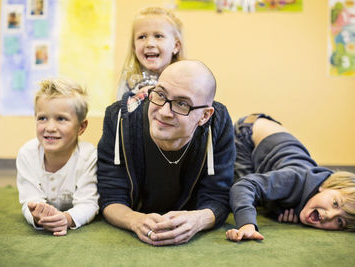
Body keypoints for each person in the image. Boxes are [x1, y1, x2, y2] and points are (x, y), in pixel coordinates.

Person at [97, 60, 235, 246]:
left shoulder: (218, 123)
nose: (164, 112)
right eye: (160, 94)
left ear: (204, 116)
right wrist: (134, 220)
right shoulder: (120, 118)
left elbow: (218, 196)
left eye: (181, 104)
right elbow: (110, 196)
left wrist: (197, 220)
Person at [226, 114, 355, 242]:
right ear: (328, 185)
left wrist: (282, 210)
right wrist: (247, 224)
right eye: (335, 203)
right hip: (248, 133)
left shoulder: (318, 194)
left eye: (339, 221)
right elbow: (243, 186)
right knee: (228, 194)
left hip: (274, 138)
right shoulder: (294, 178)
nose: (329, 215)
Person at [16, 78, 99, 236]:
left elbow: (89, 203)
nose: (50, 127)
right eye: (42, 118)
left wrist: (67, 218)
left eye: (61, 119)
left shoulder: (89, 157)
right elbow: (29, 200)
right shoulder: (27, 153)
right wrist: (39, 216)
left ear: (81, 127)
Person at [116, 6, 185, 100]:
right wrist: (136, 99)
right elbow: (119, 112)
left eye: (158, 36)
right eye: (142, 37)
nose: (149, 44)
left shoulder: (185, 80)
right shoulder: (129, 80)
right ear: (134, 46)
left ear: (176, 46)